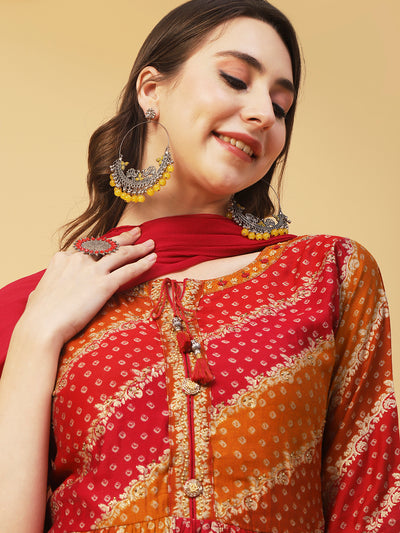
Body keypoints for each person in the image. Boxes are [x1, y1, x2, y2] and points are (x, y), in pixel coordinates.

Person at [0, 0, 399, 531]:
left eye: (281, 106)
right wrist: (33, 339)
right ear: (151, 90)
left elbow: (370, 504)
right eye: (235, 79)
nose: (264, 113)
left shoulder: (324, 273)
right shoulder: (35, 305)